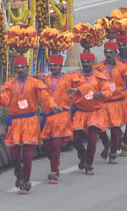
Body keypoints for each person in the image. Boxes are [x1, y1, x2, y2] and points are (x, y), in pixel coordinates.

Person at [0, 56, 59, 194]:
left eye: (23, 67)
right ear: (15, 69)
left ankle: (26, 182)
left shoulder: (35, 83)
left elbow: (45, 97)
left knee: (28, 155)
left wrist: (52, 105)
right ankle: (18, 172)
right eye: (18, 67)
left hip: (30, 121)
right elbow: (4, 101)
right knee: (14, 155)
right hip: (15, 122)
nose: (20, 70)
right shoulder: (10, 85)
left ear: (27, 68)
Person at [67, 52, 111, 175]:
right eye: (84, 62)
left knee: (92, 138)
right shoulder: (74, 76)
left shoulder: (100, 77)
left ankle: (89, 165)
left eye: (88, 62)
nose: (86, 64)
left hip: (95, 112)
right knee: (76, 139)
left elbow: (109, 91)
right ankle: (83, 154)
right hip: (80, 112)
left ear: (93, 63)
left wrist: (101, 94)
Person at [94, 41, 127, 164]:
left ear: (116, 53)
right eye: (106, 52)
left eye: (111, 52)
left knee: (115, 129)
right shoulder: (98, 67)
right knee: (100, 128)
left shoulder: (122, 67)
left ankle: (113, 154)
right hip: (103, 103)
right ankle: (106, 143)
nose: (108, 55)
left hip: (117, 103)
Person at [40, 53, 75, 184]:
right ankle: (54, 161)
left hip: (62, 117)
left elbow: (82, 82)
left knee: (56, 145)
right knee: (48, 146)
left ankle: (54, 171)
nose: (53, 67)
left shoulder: (68, 79)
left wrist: (79, 90)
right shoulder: (46, 79)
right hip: (48, 118)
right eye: (51, 65)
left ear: (61, 66)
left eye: (56, 65)